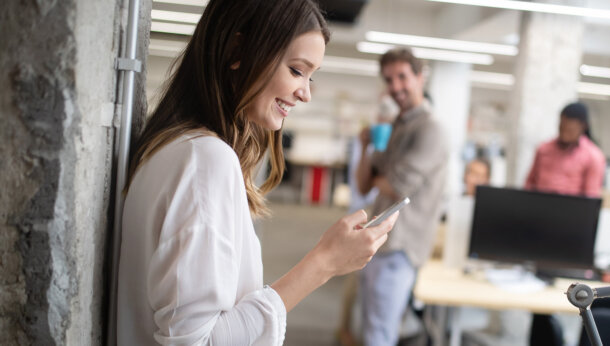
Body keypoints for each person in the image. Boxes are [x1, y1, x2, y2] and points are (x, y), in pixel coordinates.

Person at [116, 1, 398, 345]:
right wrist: (324, 262)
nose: (306, 93)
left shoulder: (174, 146)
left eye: (311, 76)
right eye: (296, 70)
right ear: (238, 51)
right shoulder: (206, 161)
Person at [356, 47, 448, 346]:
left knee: (379, 335)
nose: (395, 87)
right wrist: (366, 147)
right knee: (372, 328)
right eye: (388, 79)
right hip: (379, 243)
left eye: (402, 77)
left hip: (401, 248)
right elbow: (363, 184)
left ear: (420, 77)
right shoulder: (395, 125)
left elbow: (398, 186)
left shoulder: (431, 129)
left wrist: (381, 176)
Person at [525, 102, 606, 198]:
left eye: (570, 130)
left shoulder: (593, 156)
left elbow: (590, 196)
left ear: (583, 127)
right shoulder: (543, 149)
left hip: (571, 210)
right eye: (561, 128)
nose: (564, 135)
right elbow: (530, 184)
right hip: (540, 207)